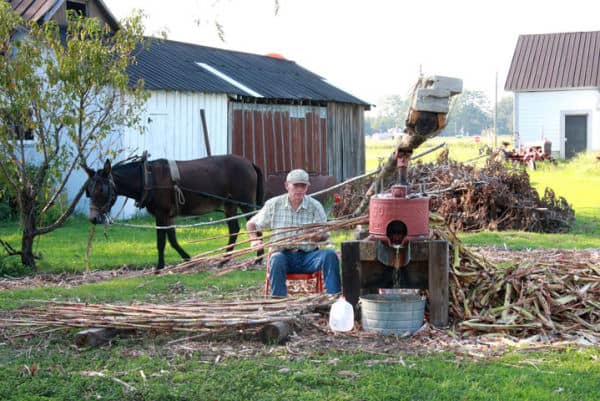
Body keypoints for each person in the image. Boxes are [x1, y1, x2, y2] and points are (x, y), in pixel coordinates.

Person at [246, 169, 341, 297]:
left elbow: (325, 234)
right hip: (283, 255)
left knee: (330, 255)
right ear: (287, 185)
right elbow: (251, 224)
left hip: (309, 257)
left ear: (307, 187)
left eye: (303, 185)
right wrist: (254, 240)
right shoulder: (274, 204)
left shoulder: (315, 206)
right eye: (296, 185)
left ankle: (333, 299)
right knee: (276, 258)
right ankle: (279, 301)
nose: (299, 189)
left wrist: (317, 236)